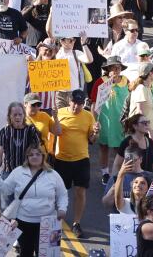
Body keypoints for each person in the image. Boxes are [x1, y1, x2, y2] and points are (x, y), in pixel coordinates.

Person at [0, 144, 67, 257]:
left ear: (43, 156)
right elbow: (5, 190)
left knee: (47, 255)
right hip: (23, 222)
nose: (34, 157)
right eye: (31, 155)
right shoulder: (18, 172)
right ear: (27, 157)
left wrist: (62, 208)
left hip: (48, 222)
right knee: (26, 253)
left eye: (38, 154)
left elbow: (62, 194)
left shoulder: (53, 174)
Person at [52, 88, 97, 237]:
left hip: (81, 159)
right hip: (62, 160)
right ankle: (56, 221)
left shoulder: (89, 116)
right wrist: (55, 119)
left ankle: (76, 222)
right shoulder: (60, 112)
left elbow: (92, 139)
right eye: (73, 102)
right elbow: (55, 133)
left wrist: (96, 132)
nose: (76, 106)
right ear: (68, 101)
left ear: (83, 103)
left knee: (80, 192)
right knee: (60, 193)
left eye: (79, 103)